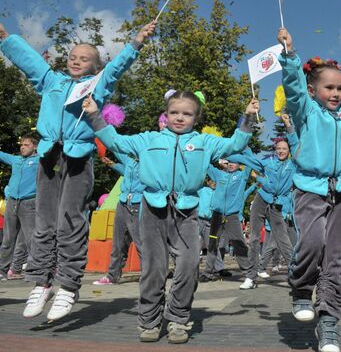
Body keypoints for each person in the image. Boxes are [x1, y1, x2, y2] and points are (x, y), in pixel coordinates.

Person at [0, 18, 156, 321]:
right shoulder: (50, 81)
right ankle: (42, 283)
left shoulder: (98, 84)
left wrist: (136, 41)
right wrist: (5, 37)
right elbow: (28, 60)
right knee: (44, 223)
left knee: (70, 222)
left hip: (77, 159)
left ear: (95, 67)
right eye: (73, 56)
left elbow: (117, 68)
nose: (76, 60)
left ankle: (69, 286)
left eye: (84, 58)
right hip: (49, 157)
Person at [84, 91, 259, 343]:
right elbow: (116, 142)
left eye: (187, 114)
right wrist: (94, 115)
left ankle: (178, 318)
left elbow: (235, 145)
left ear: (195, 117)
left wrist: (247, 119)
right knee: (153, 269)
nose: (179, 118)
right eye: (174, 112)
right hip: (153, 210)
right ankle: (149, 320)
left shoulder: (204, 142)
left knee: (188, 265)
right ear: (166, 115)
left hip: (187, 212)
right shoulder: (149, 139)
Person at [277, 26, 341, 352]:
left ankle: (329, 321)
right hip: (309, 189)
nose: (335, 93)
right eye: (328, 87)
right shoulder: (306, 111)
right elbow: (291, 89)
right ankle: (301, 287)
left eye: (339, 88)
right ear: (313, 90)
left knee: (335, 258)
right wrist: (290, 55)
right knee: (313, 242)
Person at [227, 114, 298, 289]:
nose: (281, 150)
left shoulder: (294, 165)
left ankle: (294, 275)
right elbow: (246, 157)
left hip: (276, 205)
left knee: (284, 240)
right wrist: (242, 128)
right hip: (261, 201)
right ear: (275, 150)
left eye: (284, 148)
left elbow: (297, 144)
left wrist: (289, 125)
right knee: (254, 238)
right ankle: (251, 277)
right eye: (278, 148)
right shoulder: (269, 164)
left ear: (289, 150)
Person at [93, 152, 145, 285]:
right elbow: (125, 170)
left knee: (141, 243)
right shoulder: (130, 159)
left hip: (138, 203)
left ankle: (149, 275)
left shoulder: (151, 159)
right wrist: (111, 164)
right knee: (118, 242)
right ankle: (112, 275)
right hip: (123, 202)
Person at [201, 160, 252, 282]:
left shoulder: (242, 176)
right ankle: (208, 273)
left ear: (240, 164)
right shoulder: (219, 175)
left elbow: (250, 161)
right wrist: (218, 160)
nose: (231, 164)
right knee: (212, 243)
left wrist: (240, 152)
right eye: (229, 162)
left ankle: (249, 275)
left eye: (234, 162)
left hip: (232, 216)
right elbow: (206, 164)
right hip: (217, 215)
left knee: (239, 243)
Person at [0, 135, 39, 280]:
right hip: (12, 202)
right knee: (7, 239)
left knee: (31, 239)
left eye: (26, 145)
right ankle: (2, 270)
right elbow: (2, 155)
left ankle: (35, 271)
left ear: (35, 146)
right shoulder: (16, 160)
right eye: (21, 145)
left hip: (29, 203)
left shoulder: (39, 160)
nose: (22, 147)